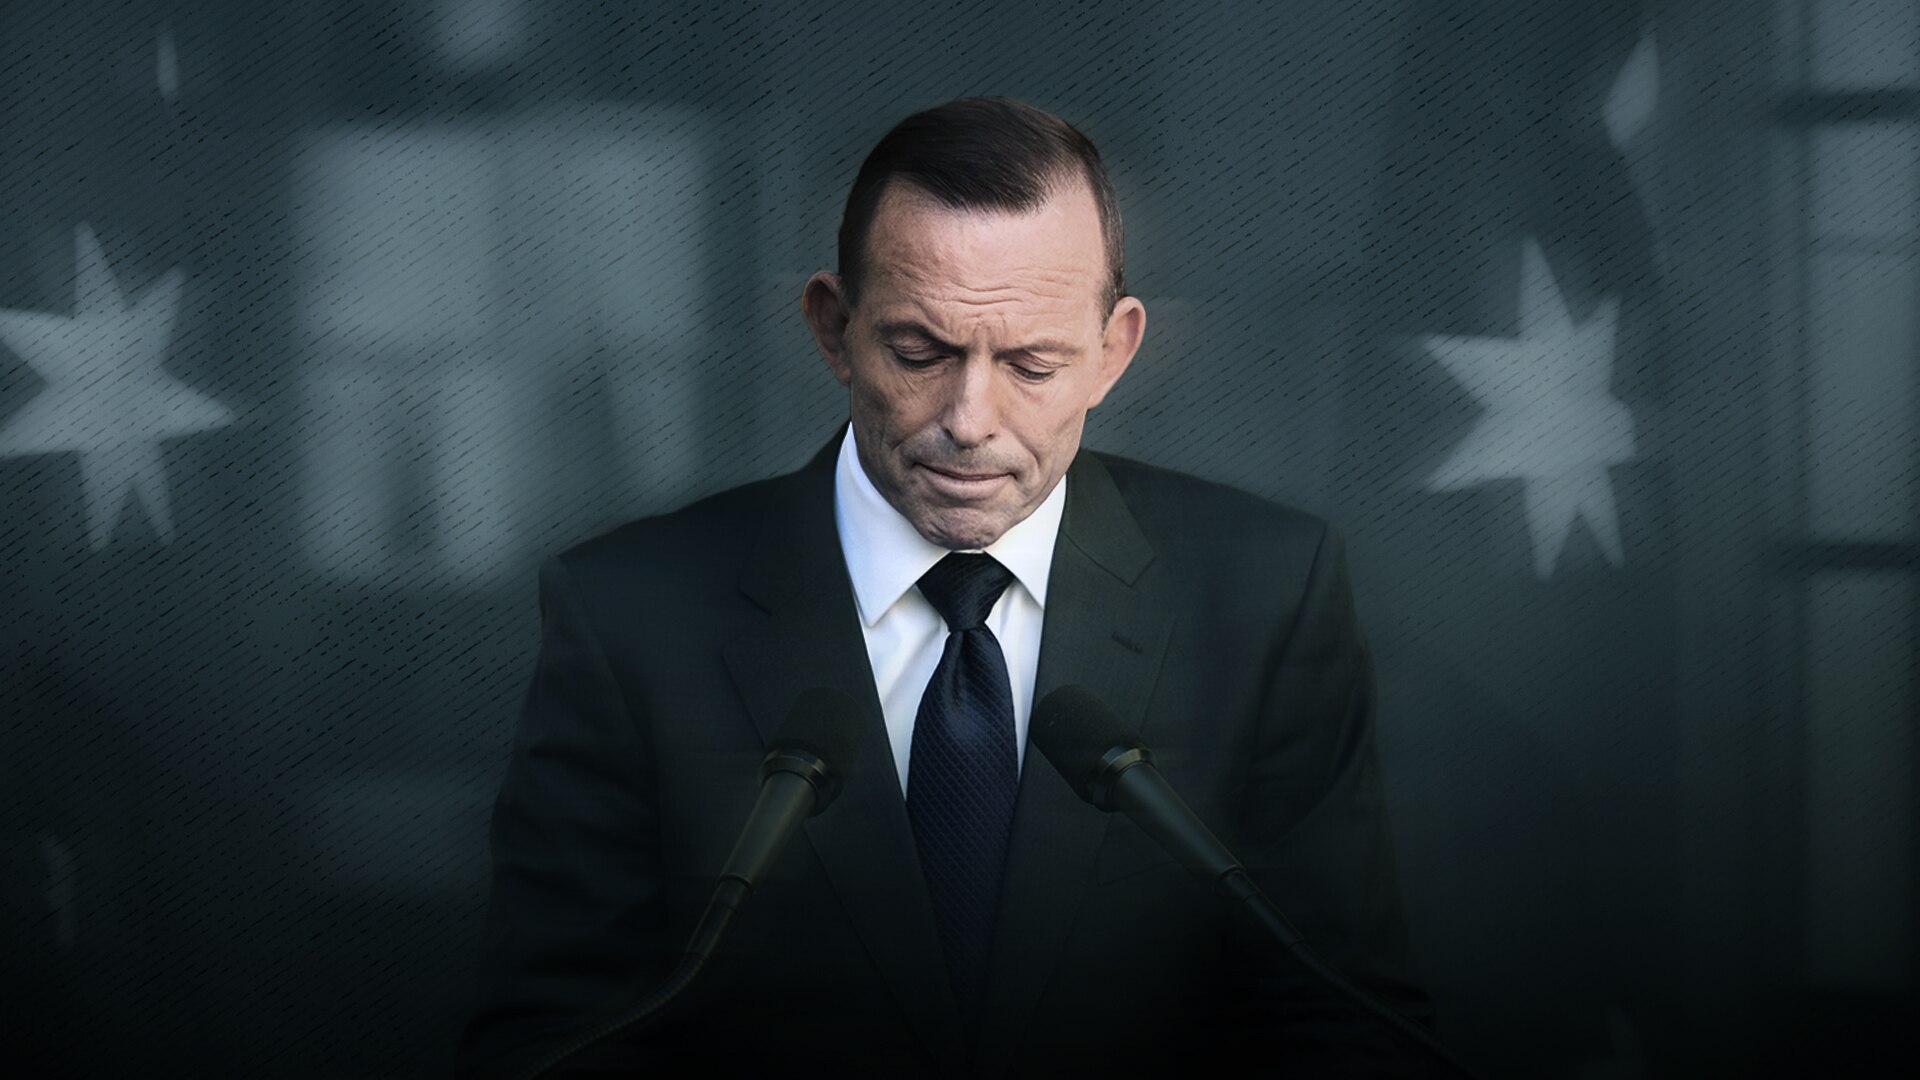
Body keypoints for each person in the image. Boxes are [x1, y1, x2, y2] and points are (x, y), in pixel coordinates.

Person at [457, 96, 1433, 1077]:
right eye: (919, 352)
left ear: (1113, 352)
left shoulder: (1267, 590)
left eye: (1032, 363)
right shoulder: (629, 611)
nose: (970, 419)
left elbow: (1344, 1021)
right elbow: (553, 1043)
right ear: (833, 330)